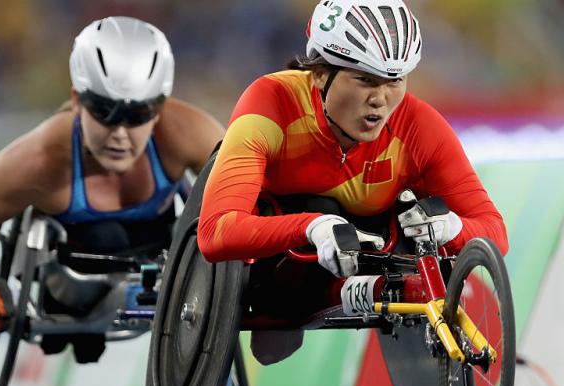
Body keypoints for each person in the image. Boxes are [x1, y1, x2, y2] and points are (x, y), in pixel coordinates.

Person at [197, 0, 508, 364]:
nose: (379, 99)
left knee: (418, 216)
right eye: (364, 79)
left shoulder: (421, 128)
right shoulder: (271, 101)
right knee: (320, 207)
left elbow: (495, 233)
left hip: (368, 250)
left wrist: (451, 227)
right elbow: (215, 232)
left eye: (394, 80)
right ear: (318, 73)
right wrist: (312, 226)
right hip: (277, 261)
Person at [0, 16, 223, 362]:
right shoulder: (39, 159)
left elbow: (253, 194)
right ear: (77, 101)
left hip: (159, 250)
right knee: (107, 235)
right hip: (72, 266)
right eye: (104, 112)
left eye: (136, 116)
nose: (119, 133)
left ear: (158, 111)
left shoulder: (187, 132)